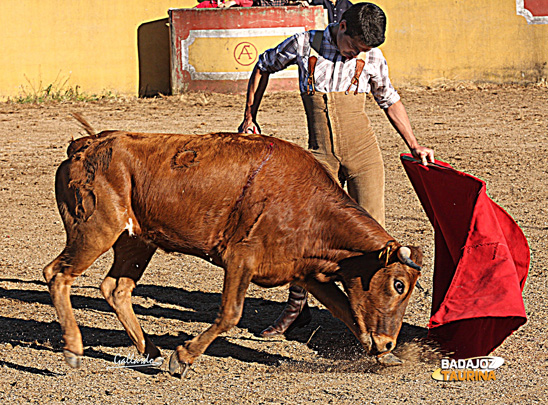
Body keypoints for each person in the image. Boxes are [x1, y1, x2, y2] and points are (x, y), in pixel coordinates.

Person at [238, 2, 434, 337]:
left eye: (363, 50)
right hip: (319, 160)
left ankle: (370, 314)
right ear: (341, 26)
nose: (356, 54)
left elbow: (389, 99)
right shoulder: (303, 44)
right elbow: (263, 65)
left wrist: (414, 143)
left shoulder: (371, 58)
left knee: (374, 237)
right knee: (307, 240)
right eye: (354, 47)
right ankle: (296, 310)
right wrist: (249, 117)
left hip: (364, 156)